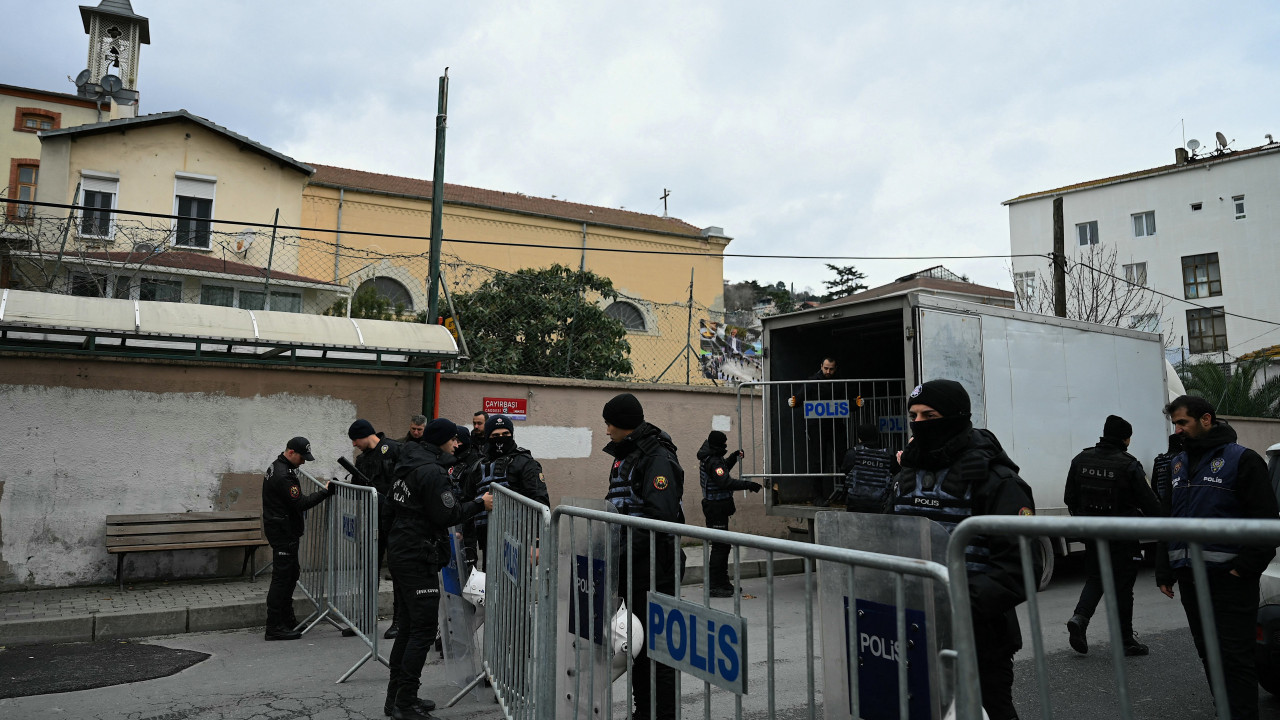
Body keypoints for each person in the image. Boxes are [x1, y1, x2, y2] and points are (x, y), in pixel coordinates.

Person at [890, 380, 1036, 720]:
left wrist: (956, 603)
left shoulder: (996, 479)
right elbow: (888, 541)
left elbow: (1019, 564)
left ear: (956, 417)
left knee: (989, 710)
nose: (920, 423)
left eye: (930, 415)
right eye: (914, 415)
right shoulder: (906, 475)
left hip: (978, 633)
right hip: (911, 628)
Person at [1156, 395, 1278, 720]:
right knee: (1208, 652)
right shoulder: (1178, 463)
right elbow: (1167, 519)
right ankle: (1224, 710)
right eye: (1175, 424)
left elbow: (1266, 523)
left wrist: (1244, 569)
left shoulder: (1243, 460)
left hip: (1230, 581)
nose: (1178, 430)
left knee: (1234, 656)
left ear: (1206, 419)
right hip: (1190, 580)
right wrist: (1164, 569)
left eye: (1184, 423)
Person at [385, 418, 493, 719]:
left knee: (408, 629)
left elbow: (404, 509)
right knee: (420, 631)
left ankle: (397, 699)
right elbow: (449, 513)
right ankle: (404, 704)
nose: (457, 444)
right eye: (452, 439)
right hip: (416, 555)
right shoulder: (432, 471)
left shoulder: (407, 463)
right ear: (442, 440)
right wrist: (478, 504)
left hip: (405, 549)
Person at [602, 392, 684, 720]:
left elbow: (658, 517)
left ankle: (662, 715)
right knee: (636, 645)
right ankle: (643, 712)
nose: (606, 430)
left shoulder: (657, 457)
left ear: (624, 425)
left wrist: (625, 552)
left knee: (657, 651)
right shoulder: (628, 453)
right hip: (632, 565)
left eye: (610, 423)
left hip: (654, 566)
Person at [1062, 415, 1160, 656]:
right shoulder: (1128, 464)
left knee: (1096, 578)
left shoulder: (1080, 459)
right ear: (1125, 439)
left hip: (1093, 534)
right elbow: (1151, 505)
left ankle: (1080, 618)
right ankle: (1125, 640)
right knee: (1123, 587)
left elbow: (1069, 498)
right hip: (1123, 537)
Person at [262, 436, 334, 641]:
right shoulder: (284, 475)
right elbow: (300, 503)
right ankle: (274, 626)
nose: (303, 462)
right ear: (291, 452)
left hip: (282, 528)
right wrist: (325, 493)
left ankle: (285, 619)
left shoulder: (278, 466)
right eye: (302, 458)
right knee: (282, 578)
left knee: (291, 573)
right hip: (283, 531)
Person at [349, 419, 404, 640]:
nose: (354, 444)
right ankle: (366, 617)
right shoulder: (362, 459)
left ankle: (399, 620)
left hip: (395, 520)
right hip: (372, 520)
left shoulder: (394, 449)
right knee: (369, 569)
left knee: (397, 570)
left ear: (364, 435)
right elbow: (356, 486)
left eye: (355, 439)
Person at [467, 414, 549, 559]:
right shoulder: (479, 466)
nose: (501, 438)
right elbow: (467, 501)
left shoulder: (524, 462)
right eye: (495, 435)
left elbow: (539, 500)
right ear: (488, 437)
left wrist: (537, 541)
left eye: (506, 434)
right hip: (488, 540)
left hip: (520, 538)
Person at [696, 430, 763, 597]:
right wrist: (748, 485)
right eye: (724, 444)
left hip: (717, 507)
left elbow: (723, 470)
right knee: (720, 546)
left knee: (723, 545)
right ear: (718, 445)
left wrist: (733, 457)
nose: (726, 446)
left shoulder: (712, 457)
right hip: (716, 508)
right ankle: (714, 585)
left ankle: (722, 582)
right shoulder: (712, 460)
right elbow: (724, 481)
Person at [806, 356, 848, 506]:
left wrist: (857, 404)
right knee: (819, 461)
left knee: (844, 458)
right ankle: (817, 496)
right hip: (817, 427)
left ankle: (848, 493)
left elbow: (848, 399)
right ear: (821, 366)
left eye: (831, 369)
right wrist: (794, 401)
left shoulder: (839, 381)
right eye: (826, 368)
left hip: (836, 426)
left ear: (835, 369)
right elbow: (800, 396)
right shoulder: (812, 381)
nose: (828, 371)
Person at [840, 423, 899, 513]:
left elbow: (845, 471)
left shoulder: (853, 453)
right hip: (881, 502)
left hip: (855, 502)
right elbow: (897, 473)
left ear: (860, 437)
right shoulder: (888, 455)